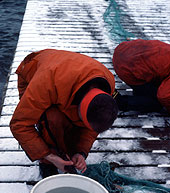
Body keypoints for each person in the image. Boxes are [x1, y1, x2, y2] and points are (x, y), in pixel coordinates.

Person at [10, 49, 118, 178]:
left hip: (67, 74)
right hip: (34, 71)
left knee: (71, 134)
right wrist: (48, 156)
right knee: (53, 119)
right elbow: (19, 124)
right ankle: (46, 163)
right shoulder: (45, 84)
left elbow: (91, 128)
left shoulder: (108, 84)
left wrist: (80, 152)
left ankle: (67, 155)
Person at [112, 39, 170, 113]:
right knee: (157, 103)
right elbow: (164, 97)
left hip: (122, 51)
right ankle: (121, 102)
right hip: (128, 69)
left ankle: (139, 93)